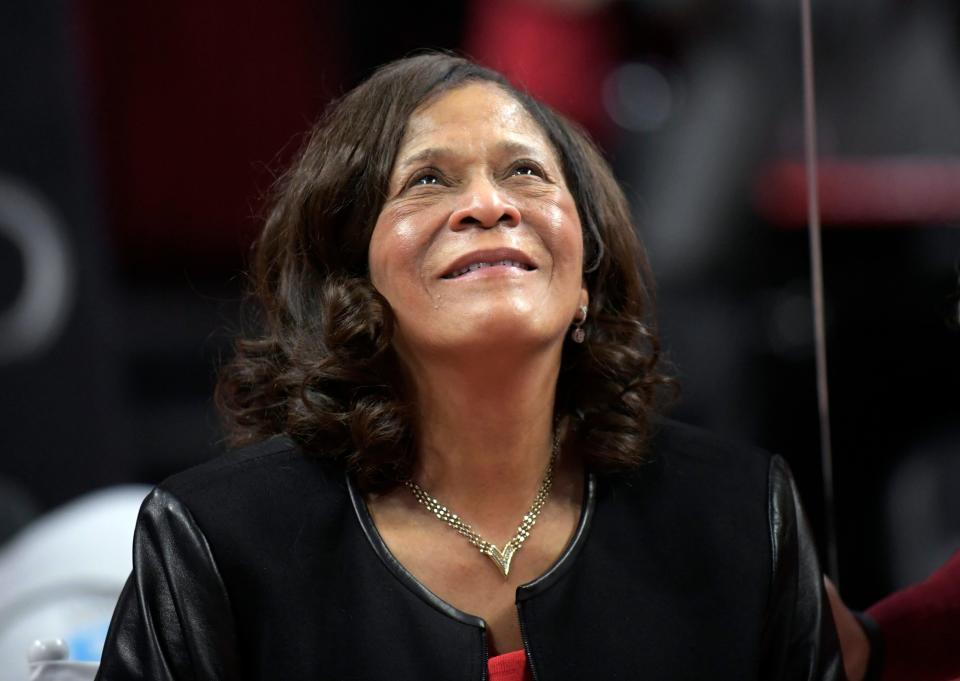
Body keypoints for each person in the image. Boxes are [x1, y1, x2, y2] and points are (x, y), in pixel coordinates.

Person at [94, 53, 843, 680]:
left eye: (525, 172)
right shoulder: (217, 543)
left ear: (586, 278)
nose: (488, 205)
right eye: (428, 180)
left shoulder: (744, 515)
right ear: (351, 281)